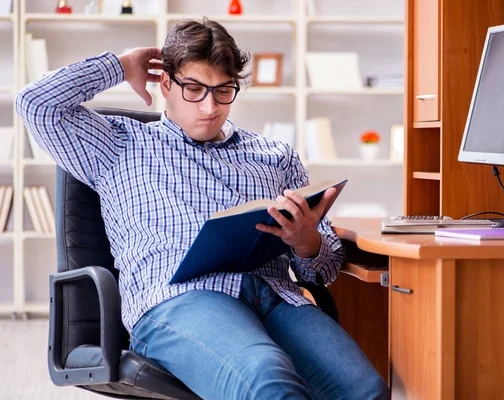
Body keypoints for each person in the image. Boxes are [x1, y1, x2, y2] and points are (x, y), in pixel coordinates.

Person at [16, 19, 389, 400]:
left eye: (223, 91)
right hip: (180, 300)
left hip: (275, 296)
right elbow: (34, 103)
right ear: (166, 85)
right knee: (268, 382)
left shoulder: (276, 157)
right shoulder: (119, 144)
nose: (210, 107)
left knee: (366, 390)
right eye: (194, 89)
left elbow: (321, 270)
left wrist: (307, 242)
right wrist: (121, 65)